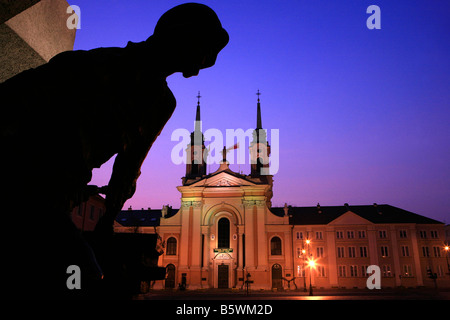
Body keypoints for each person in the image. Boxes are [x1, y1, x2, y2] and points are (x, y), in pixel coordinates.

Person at [0, 3, 228, 298]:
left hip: (57, 192)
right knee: (80, 275)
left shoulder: (159, 101)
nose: (196, 70)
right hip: (23, 176)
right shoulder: (95, 64)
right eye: (201, 54)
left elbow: (128, 166)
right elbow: (15, 97)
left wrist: (107, 219)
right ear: (181, 37)